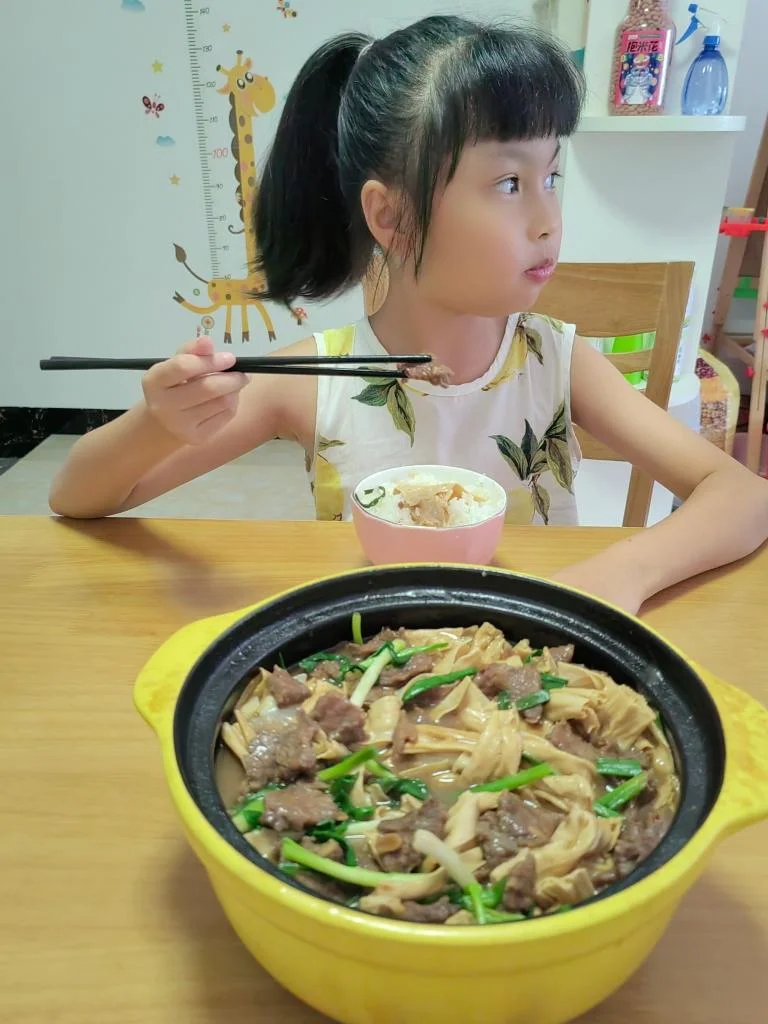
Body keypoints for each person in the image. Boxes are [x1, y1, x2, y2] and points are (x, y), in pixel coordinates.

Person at [50, 15, 768, 615]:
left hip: (537, 673)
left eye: (553, 175)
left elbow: (742, 496)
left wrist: (626, 571)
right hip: (373, 683)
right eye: (511, 182)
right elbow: (77, 498)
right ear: (392, 217)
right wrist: (157, 423)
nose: (549, 218)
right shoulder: (315, 378)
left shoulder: (557, 361)